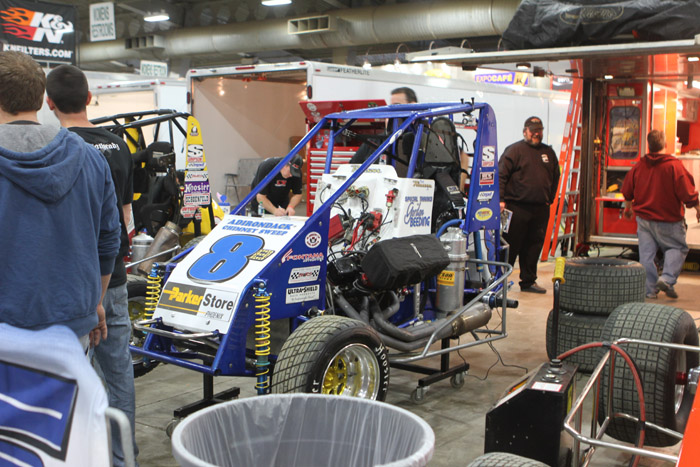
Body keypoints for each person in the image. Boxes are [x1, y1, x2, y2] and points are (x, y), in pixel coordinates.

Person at [46, 64, 138, 467]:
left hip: (67, 281)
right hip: (112, 277)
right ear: (88, 98)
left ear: (50, 103)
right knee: (119, 373)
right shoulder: (118, 145)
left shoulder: (53, 149)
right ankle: (123, 457)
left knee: (67, 374)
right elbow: (125, 218)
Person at [0, 52, 120, 346]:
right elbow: (108, 240)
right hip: (72, 325)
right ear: (42, 99)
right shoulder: (91, 158)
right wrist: (96, 302)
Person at [622, 129, 700, 299]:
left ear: (648, 145)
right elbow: (687, 192)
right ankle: (667, 279)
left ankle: (649, 291)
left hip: (644, 221)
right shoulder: (674, 166)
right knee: (677, 248)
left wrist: (628, 208)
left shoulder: (640, 166)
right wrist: (697, 207)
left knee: (646, 255)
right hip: (669, 220)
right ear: (665, 144)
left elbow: (627, 190)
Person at [498, 116, 560, 294]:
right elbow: (501, 175)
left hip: (540, 208)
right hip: (516, 208)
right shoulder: (514, 150)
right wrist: (500, 200)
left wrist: (550, 198)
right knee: (510, 245)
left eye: (539, 131)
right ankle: (499, 281)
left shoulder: (548, 152)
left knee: (534, 246)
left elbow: (556, 176)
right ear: (525, 131)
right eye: (533, 131)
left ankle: (528, 281)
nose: (536, 134)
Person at [350, 87, 418, 165]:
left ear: (414, 107)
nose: (390, 114)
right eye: (391, 108)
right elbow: (350, 167)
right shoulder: (373, 141)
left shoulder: (422, 141)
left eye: (397, 106)